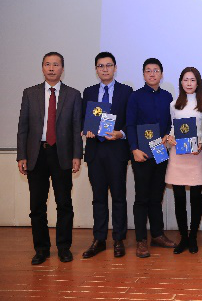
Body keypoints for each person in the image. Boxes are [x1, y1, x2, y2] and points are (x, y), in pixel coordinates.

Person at [17, 52, 82, 265]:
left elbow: (76, 128)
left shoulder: (73, 95)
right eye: (47, 64)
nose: (51, 68)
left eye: (56, 64)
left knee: (64, 203)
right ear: (42, 67)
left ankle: (64, 247)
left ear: (62, 68)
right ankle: (41, 249)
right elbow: (23, 127)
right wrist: (21, 155)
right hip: (36, 154)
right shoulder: (30, 93)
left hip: (62, 154)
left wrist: (77, 155)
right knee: (37, 205)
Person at [81, 52, 133, 259]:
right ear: (96, 69)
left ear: (115, 68)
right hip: (95, 151)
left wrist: (122, 133)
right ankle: (99, 239)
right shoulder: (89, 92)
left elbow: (131, 120)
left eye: (108, 65)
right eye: (100, 66)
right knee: (98, 198)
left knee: (119, 197)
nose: (105, 69)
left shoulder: (126, 91)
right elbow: (83, 119)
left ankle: (119, 239)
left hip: (117, 150)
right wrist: (86, 129)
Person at [126, 58, 176, 258]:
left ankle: (157, 235)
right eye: (148, 70)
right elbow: (130, 124)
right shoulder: (135, 97)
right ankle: (141, 240)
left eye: (156, 70)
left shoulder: (167, 97)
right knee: (142, 198)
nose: (152, 74)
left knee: (157, 196)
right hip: (142, 153)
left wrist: (167, 135)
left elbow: (170, 123)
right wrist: (134, 149)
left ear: (161, 74)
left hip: (160, 151)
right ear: (143, 74)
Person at [163, 67, 202, 254]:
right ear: (181, 82)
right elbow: (172, 129)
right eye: (185, 80)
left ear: (198, 83)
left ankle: (193, 237)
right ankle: (183, 237)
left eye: (192, 80)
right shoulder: (173, 104)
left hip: (196, 155)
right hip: (178, 156)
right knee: (179, 198)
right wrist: (169, 137)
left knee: (196, 198)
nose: (189, 83)